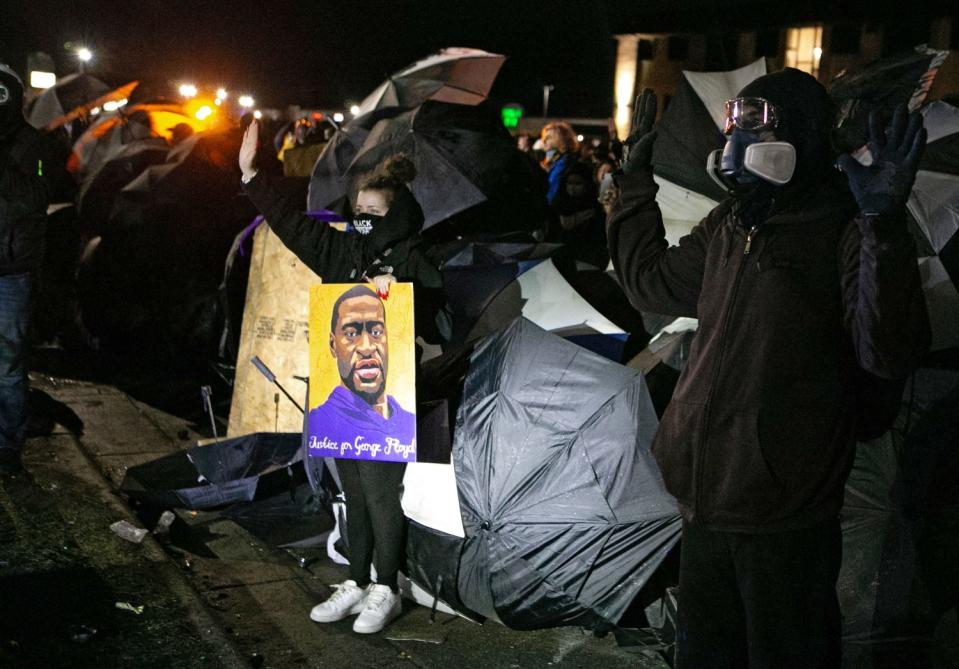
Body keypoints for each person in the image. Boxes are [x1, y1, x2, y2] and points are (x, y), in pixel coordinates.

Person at [607, 70, 930, 668]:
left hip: (785, 513)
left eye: (759, 122)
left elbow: (886, 351)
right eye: (739, 119)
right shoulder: (734, 221)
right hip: (706, 499)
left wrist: (882, 223)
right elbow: (649, 281)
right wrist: (632, 185)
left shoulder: (844, 222)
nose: (739, 137)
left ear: (801, 137)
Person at [239, 120, 445, 634]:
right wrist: (252, 176)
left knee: (379, 492)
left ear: (397, 216)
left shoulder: (414, 259)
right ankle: (356, 579)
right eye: (358, 213)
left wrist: (400, 291)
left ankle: (386, 587)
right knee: (352, 490)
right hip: (343, 396)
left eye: (375, 214)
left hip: (387, 397)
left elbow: (440, 316)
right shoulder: (342, 251)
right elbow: (293, 224)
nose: (364, 222)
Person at [0, 64, 51, 476]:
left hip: (10, 272)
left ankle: (7, 446)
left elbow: (34, 198)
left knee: (8, 364)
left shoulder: (32, 144)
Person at [308, 284, 416, 459]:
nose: (366, 347)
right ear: (332, 344)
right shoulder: (318, 424)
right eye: (351, 334)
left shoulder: (411, 423)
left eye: (376, 332)